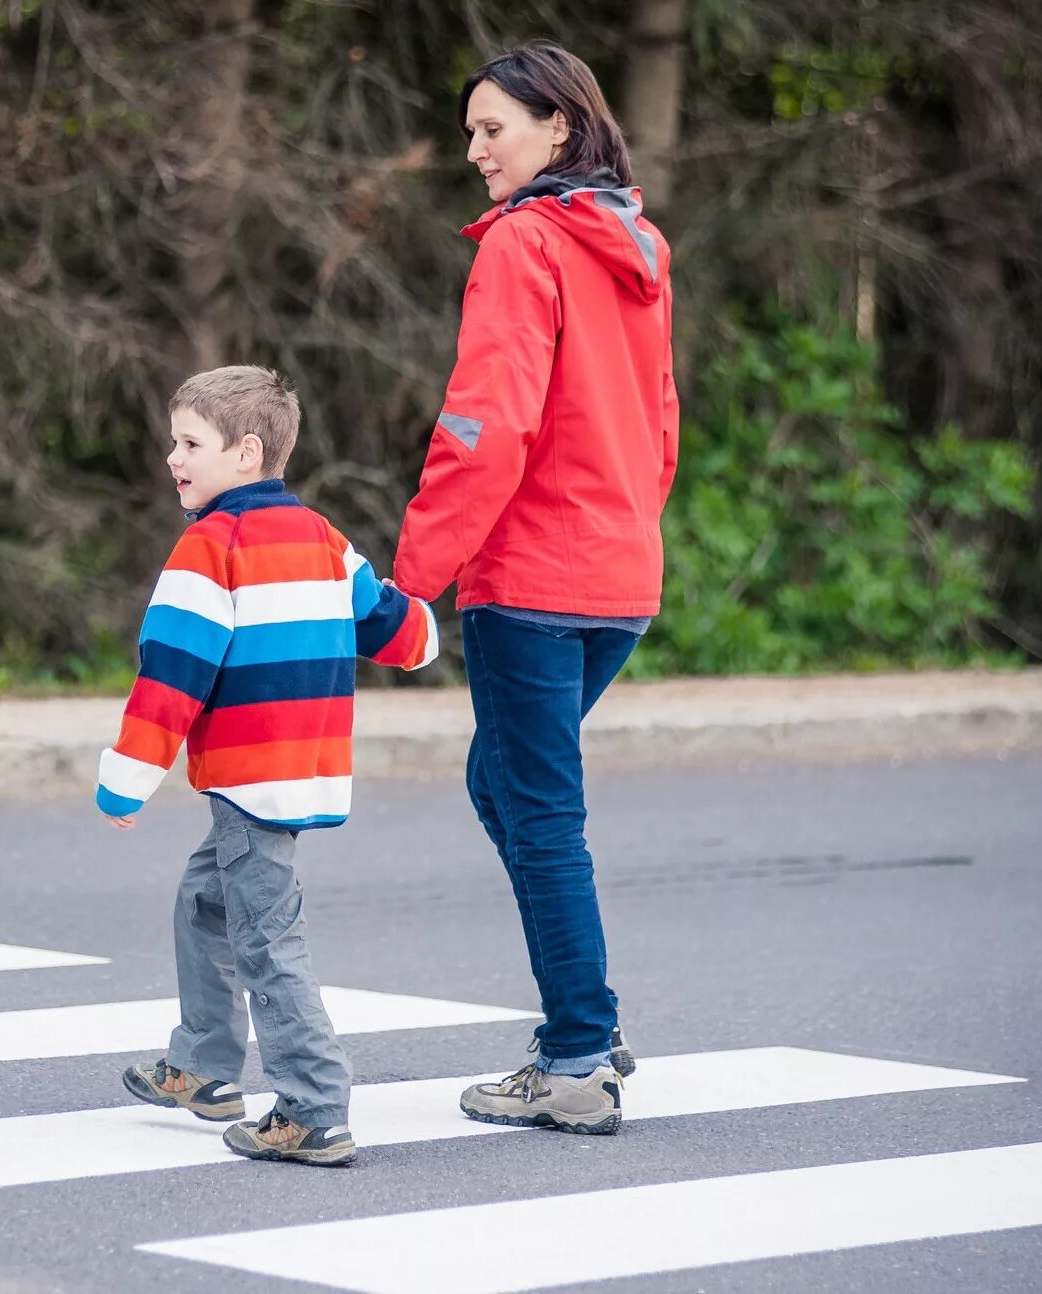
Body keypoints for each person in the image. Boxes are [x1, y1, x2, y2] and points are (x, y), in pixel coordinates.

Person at [391, 42, 679, 1135]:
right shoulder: (636, 244)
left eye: (490, 129)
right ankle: (581, 1029)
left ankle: (575, 1053)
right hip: (617, 576)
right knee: (504, 787)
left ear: (558, 127)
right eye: (468, 132)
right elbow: (659, 424)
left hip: (531, 578)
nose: (473, 151)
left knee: (538, 812)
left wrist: (414, 581)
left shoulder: (524, 244)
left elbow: (483, 425)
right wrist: (627, 537)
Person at [98, 364, 438, 1166]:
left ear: (246, 453)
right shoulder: (322, 538)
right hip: (303, 765)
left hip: (250, 778)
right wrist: (425, 630)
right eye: (172, 440)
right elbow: (391, 626)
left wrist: (129, 775)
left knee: (266, 939)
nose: (171, 457)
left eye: (189, 442)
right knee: (204, 901)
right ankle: (204, 1066)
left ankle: (313, 1108)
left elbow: (171, 672)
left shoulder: (209, 547)